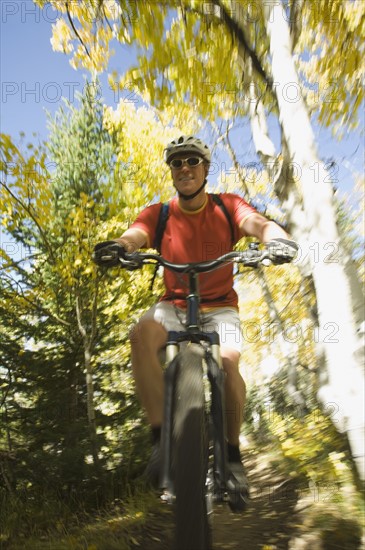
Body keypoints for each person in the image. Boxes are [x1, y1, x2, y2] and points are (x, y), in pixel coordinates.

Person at [94, 135, 298, 504]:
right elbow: (135, 234)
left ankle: (232, 455)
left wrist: (277, 240)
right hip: (173, 303)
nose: (184, 168)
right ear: (172, 172)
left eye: (192, 161)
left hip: (220, 307)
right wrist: (120, 247)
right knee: (141, 336)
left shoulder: (227, 206)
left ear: (205, 169)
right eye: (177, 163)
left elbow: (258, 223)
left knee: (230, 367)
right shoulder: (160, 213)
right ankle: (161, 442)